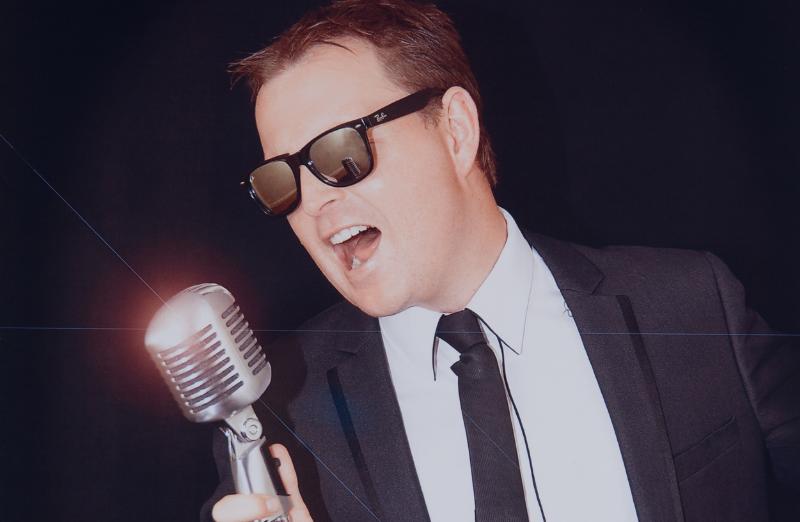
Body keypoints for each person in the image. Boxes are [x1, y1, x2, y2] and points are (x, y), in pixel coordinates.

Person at [203, 1, 800, 521]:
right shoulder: (279, 412)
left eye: (340, 153)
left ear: (456, 130)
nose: (312, 199)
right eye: (281, 180)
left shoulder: (692, 304)